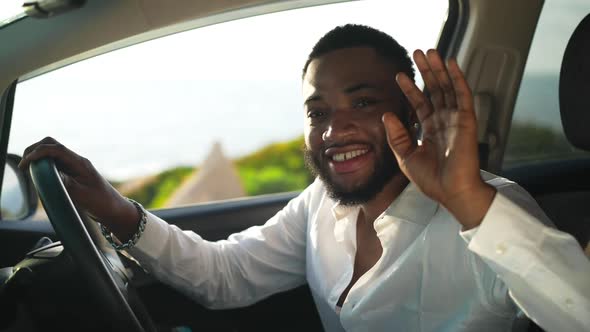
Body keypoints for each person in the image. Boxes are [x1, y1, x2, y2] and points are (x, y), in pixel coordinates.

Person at [19, 25, 589, 331]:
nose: (334, 130)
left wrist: (469, 202)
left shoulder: (492, 212)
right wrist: (118, 209)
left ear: (414, 112)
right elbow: (227, 275)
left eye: (362, 103)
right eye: (318, 112)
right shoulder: (324, 204)